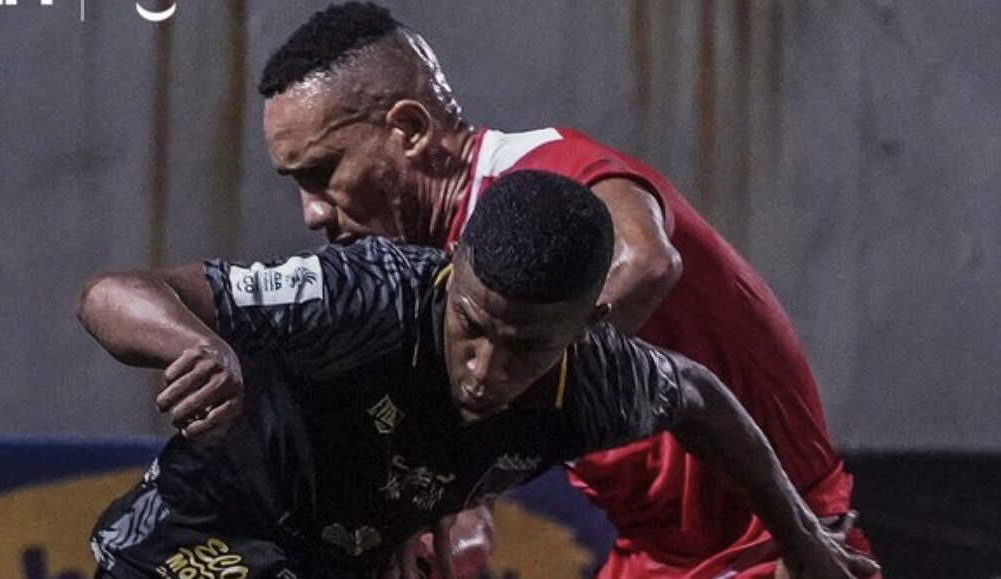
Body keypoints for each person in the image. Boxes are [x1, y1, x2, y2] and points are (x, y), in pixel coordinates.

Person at [254, 3, 877, 578]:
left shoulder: (539, 175)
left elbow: (646, 262)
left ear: (410, 129)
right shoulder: (442, 276)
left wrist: (466, 457)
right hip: (652, 557)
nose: (312, 212)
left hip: (778, 544)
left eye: (322, 172)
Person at [79, 171, 876, 579]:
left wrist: (800, 536)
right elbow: (111, 294)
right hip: (189, 542)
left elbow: (699, 396)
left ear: (590, 325)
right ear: (453, 267)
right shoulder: (368, 293)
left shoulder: (600, 379)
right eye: (472, 325)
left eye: (525, 346)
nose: (485, 369)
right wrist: (200, 345)